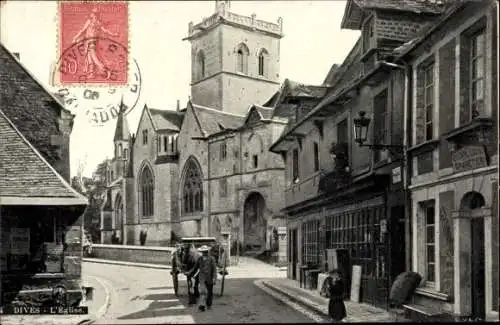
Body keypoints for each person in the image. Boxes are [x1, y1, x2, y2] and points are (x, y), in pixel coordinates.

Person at [193, 245, 217, 311]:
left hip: (210, 278)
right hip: (202, 277)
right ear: (201, 252)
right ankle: (202, 306)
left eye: (205, 251)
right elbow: (195, 268)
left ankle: (209, 305)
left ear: (207, 251)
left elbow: (214, 270)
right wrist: (189, 272)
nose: (204, 253)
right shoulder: (199, 259)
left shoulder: (212, 259)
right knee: (203, 291)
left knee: (210, 292)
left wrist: (214, 278)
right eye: (203, 252)